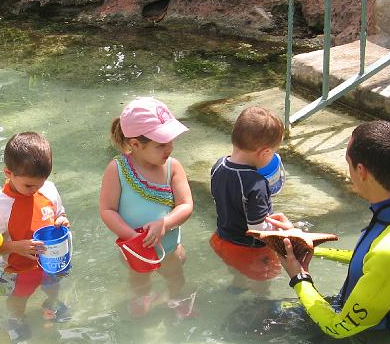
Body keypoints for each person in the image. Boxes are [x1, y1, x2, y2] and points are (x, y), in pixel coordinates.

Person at [280, 120, 390, 338]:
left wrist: (298, 277)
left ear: (361, 170)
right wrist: (306, 244)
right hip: (360, 315)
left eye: (348, 163)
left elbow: (338, 328)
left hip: (362, 342)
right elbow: (371, 261)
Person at [99, 97, 194, 318]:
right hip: (136, 251)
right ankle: (142, 298)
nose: (169, 148)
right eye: (161, 145)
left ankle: (176, 299)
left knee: (176, 278)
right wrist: (132, 237)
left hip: (169, 249)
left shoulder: (173, 167)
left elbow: (186, 205)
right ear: (135, 144)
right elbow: (107, 210)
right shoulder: (117, 169)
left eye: (170, 141)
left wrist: (164, 223)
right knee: (139, 280)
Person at [0, 132, 71, 342]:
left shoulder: (48, 190)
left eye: (40, 184)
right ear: (8, 173)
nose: (35, 190)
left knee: (53, 286)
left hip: (49, 262)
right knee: (18, 299)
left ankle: (51, 304)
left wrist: (61, 220)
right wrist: (15, 247)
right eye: (28, 185)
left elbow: (59, 213)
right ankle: (16, 320)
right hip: (16, 269)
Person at [209, 106, 290, 296]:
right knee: (263, 279)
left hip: (223, 240)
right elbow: (258, 230)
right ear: (265, 152)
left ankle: (237, 286)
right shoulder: (256, 184)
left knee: (237, 269)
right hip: (251, 250)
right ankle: (260, 303)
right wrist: (280, 230)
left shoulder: (218, 165)